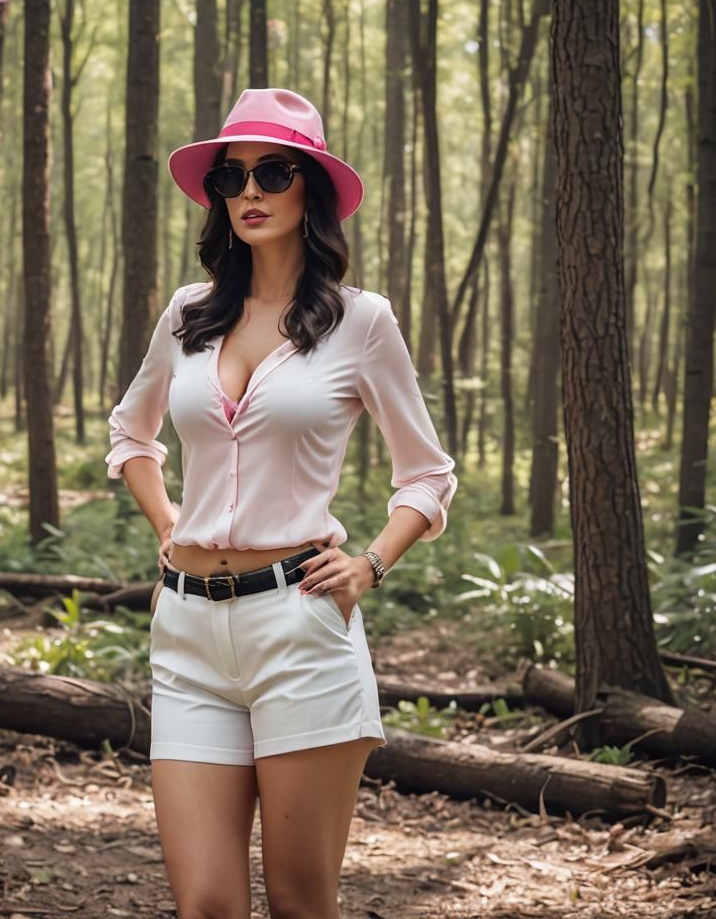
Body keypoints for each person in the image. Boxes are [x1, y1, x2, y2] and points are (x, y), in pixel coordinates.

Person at [104, 87, 457, 919]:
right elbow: (131, 435)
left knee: (300, 904)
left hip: (299, 626)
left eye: (273, 172)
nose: (250, 192)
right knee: (207, 907)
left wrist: (370, 564)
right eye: (231, 178)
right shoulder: (189, 316)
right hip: (186, 632)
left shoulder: (361, 322)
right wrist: (168, 525)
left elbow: (428, 474)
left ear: (312, 191)